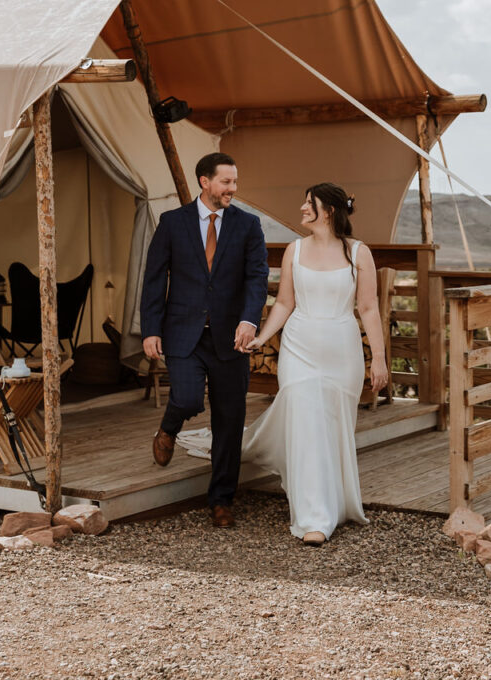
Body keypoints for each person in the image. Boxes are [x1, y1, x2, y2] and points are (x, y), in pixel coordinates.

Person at [239, 183, 389, 546]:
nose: (302, 208)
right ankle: (314, 518)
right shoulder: (294, 250)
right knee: (307, 425)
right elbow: (285, 303)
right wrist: (262, 336)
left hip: (342, 351)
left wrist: (380, 359)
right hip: (299, 347)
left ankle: (334, 503)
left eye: (310, 203)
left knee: (332, 429)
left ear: (329, 211)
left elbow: (368, 308)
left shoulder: (358, 253)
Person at [140, 152, 269, 528]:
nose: (233, 188)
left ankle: (221, 500)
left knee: (230, 420)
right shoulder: (172, 223)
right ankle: (168, 427)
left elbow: (256, 278)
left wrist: (249, 320)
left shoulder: (248, 225)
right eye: (226, 181)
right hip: (183, 334)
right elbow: (154, 279)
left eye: (235, 181)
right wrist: (151, 329)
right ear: (204, 181)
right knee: (188, 398)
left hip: (231, 338)